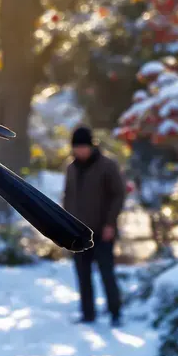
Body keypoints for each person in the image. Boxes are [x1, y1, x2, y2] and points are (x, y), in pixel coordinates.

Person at [63, 127, 127, 326]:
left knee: (107, 274)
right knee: (83, 276)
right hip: (77, 233)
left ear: (91, 146)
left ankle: (115, 313)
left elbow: (119, 195)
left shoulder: (107, 165)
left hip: (102, 231)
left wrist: (110, 223)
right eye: (77, 148)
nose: (80, 151)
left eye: (83, 147)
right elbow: (67, 196)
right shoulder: (71, 168)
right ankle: (88, 314)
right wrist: (64, 225)